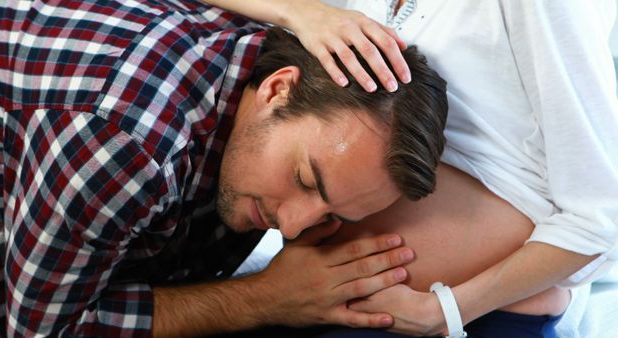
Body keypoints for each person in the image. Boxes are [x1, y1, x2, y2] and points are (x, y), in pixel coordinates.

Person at [0, 0, 451, 337]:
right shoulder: (126, 143)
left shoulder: (253, 87)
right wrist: (265, 298)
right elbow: (48, 330)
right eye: (304, 179)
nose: (292, 226)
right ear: (277, 90)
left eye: (333, 216)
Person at [205, 0, 618, 337]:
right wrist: (302, 12)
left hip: (465, 316)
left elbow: (602, 214)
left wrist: (446, 311)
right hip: (316, 299)